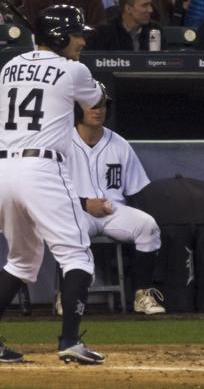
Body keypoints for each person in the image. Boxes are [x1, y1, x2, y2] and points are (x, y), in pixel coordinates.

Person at [0, 4, 106, 364]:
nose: (82, 41)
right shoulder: (73, 69)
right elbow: (95, 100)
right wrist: (97, 85)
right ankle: (70, 341)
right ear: (60, 37)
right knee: (76, 254)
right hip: (42, 169)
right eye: (77, 35)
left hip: (4, 171)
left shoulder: (10, 66)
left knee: (21, 262)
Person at [68, 96, 164, 314]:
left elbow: (136, 190)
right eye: (91, 105)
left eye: (102, 105)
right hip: (75, 210)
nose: (98, 110)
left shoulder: (119, 144)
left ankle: (142, 295)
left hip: (112, 211)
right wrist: (84, 203)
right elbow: (49, 191)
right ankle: (67, 296)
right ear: (78, 109)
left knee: (147, 225)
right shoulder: (61, 142)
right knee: (66, 230)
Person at [86, 0, 164, 50]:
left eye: (150, 5)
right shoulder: (104, 32)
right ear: (128, 9)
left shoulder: (155, 30)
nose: (150, 10)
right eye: (145, 5)